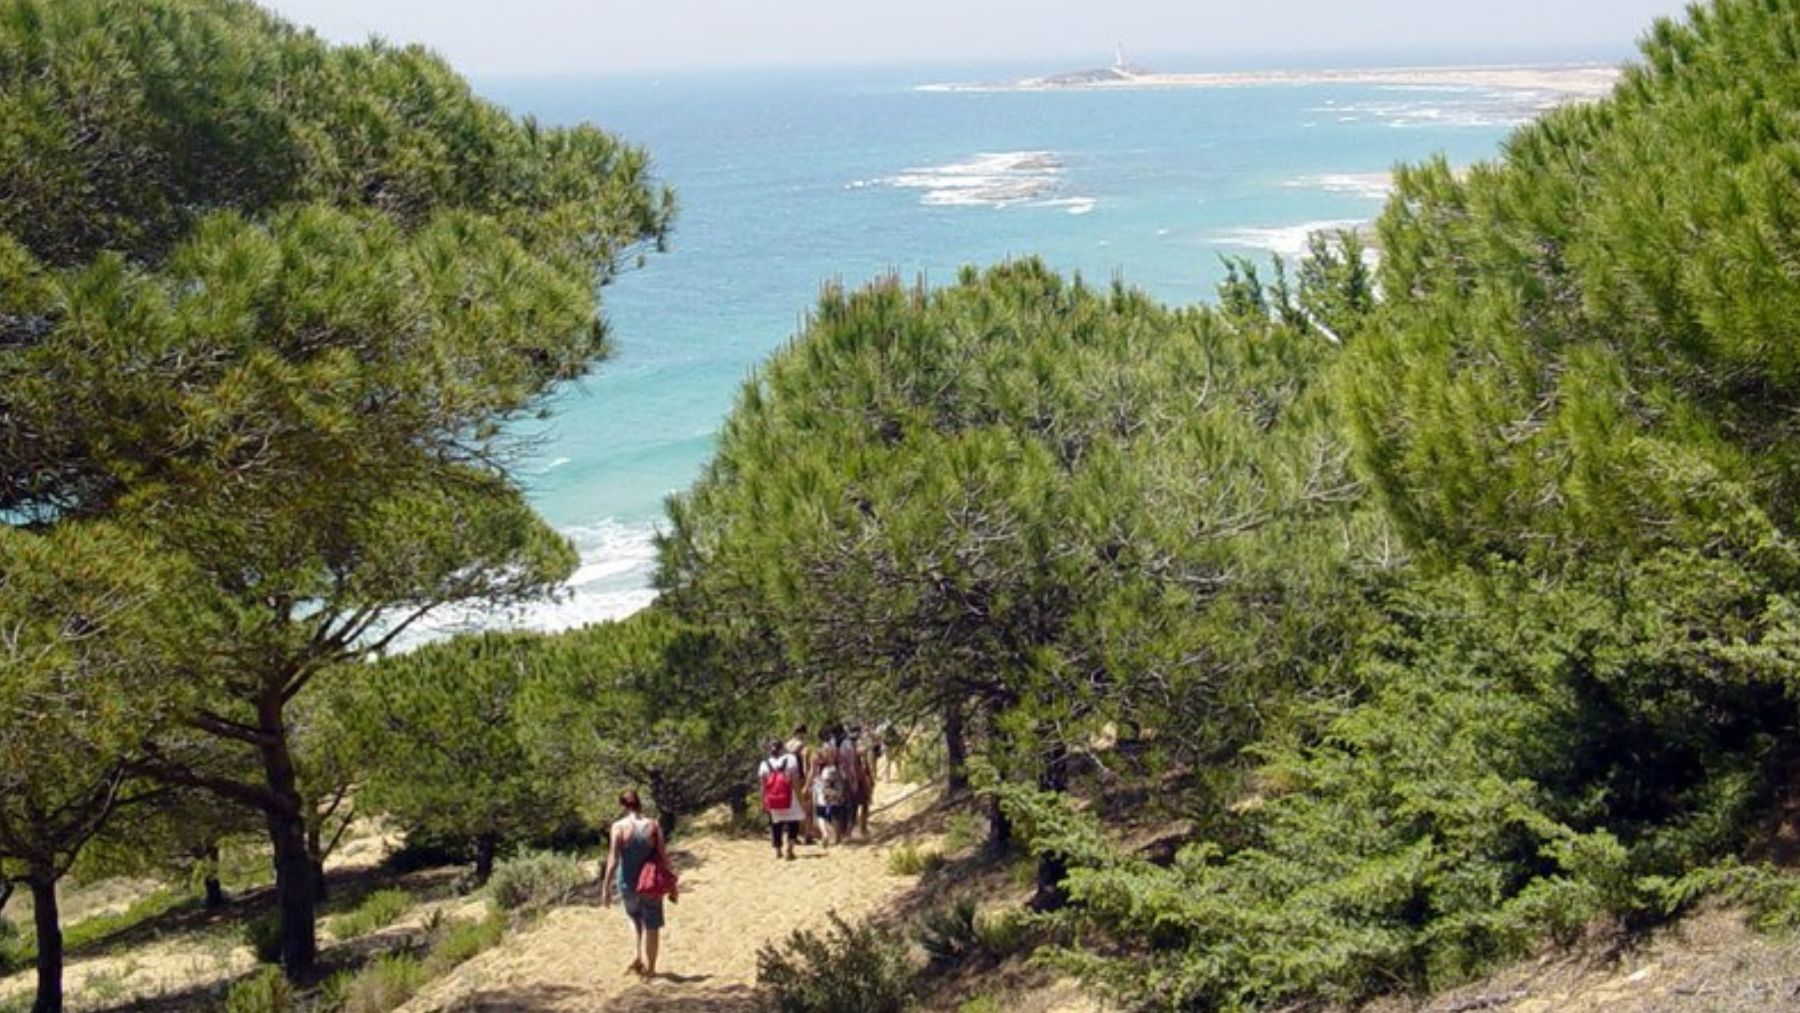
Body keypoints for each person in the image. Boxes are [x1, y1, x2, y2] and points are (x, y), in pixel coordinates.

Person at [601, 789, 676, 978]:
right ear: (639, 804)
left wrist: (606, 887)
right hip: (651, 884)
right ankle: (651, 969)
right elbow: (664, 856)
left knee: (634, 918)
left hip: (628, 883)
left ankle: (637, 955)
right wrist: (673, 883)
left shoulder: (618, 827)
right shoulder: (653, 826)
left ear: (622, 805)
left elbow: (613, 859)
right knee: (652, 925)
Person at [758, 739, 804, 860]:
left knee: (775, 824)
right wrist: (801, 799)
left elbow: (763, 786)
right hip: (790, 798)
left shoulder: (764, 764)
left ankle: (778, 850)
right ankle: (790, 848)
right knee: (793, 823)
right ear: (783, 748)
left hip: (773, 799)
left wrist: (763, 801)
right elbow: (796, 782)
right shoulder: (791, 760)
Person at [811, 735, 849, 846]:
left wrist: (810, 784)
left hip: (821, 781)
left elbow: (813, 771)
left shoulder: (817, 753)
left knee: (820, 812)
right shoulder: (834, 749)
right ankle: (837, 837)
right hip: (835, 776)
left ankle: (825, 834)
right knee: (836, 810)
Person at [787, 724, 817, 844]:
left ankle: (794, 835)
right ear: (803, 733)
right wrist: (808, 783)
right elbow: (805, 766)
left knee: (792, 807)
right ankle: (807, 835)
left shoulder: (787, 745)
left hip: (788, 779)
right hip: (800, 779)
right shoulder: (803, 747)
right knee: (806, 808)